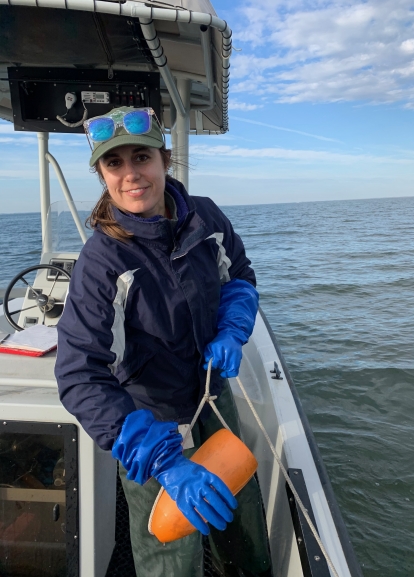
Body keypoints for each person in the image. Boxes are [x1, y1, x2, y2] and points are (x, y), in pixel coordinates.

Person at [55, 107, 273, 577]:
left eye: (141, 157)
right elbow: (79, 374)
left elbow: (240, 276)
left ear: (165, 160)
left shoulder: (206, 215)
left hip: (213, 396)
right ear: (101, 174)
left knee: (239, 515)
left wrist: (233, 329)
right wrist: (165, 462)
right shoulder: (101, 261)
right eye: (114, 164)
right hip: (148, 421)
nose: (131, 174)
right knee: (168, 547)